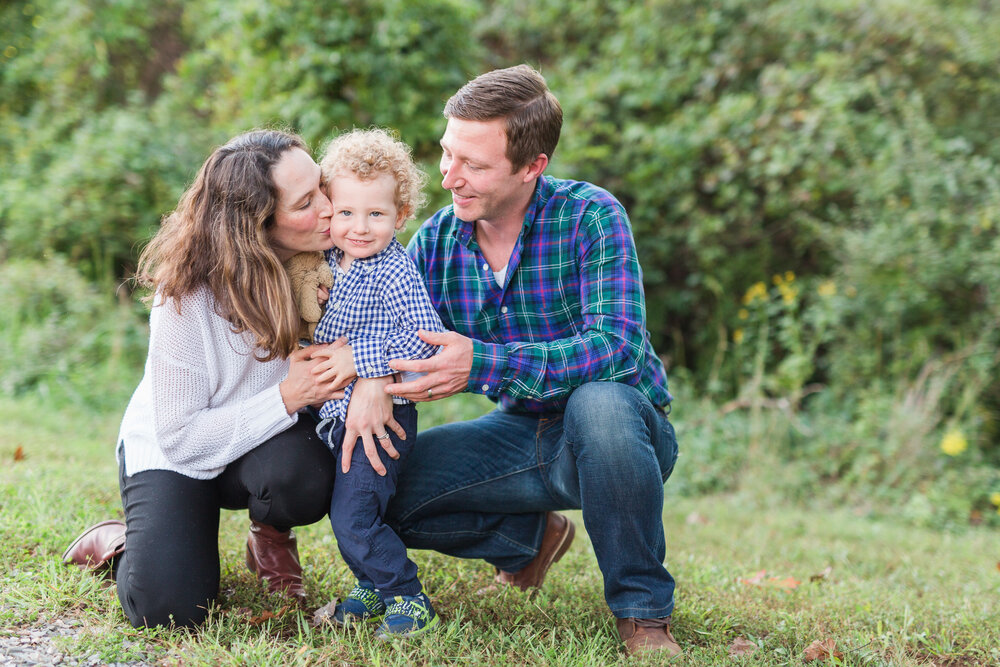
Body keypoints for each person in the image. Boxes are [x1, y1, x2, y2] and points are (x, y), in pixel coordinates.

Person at [383, 65, 682, 658]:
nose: (449, 178)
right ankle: (527, 536)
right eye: (447, 154)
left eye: (474, 165)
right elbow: (396, 340)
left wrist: (485, 363)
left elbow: (616, 349)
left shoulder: (591, 215)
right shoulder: (440, 239)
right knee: (380, 490)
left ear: (531, 167)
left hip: (619, 430)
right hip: (518, 436)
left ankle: (643, 613)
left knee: (599, 403)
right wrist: (374, 377)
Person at [61, 129, 402, 628]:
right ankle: (116, 540)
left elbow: (396, 321)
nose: (332, 208)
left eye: (322, 187)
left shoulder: (340, 257)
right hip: (177, 447)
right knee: (171, 610)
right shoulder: (185, 299)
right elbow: (180, 438)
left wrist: (370, 374)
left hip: (261, 442)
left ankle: (269, 534)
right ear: (258, 225)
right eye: (308, 202)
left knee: (306, 478)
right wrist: (288, 395)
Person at [310, 128, 444, 637]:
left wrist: (359, 360)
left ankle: (407, 596)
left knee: (356, 516)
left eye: (376, 214)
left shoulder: (395, 272)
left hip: (384, 415)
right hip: (334, 414)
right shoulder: (325, 262)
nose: (359, 228)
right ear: (329, 211)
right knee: (343, 508)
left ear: (401, 216)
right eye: (346, 213)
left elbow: (422, 345)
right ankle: (370, 584)